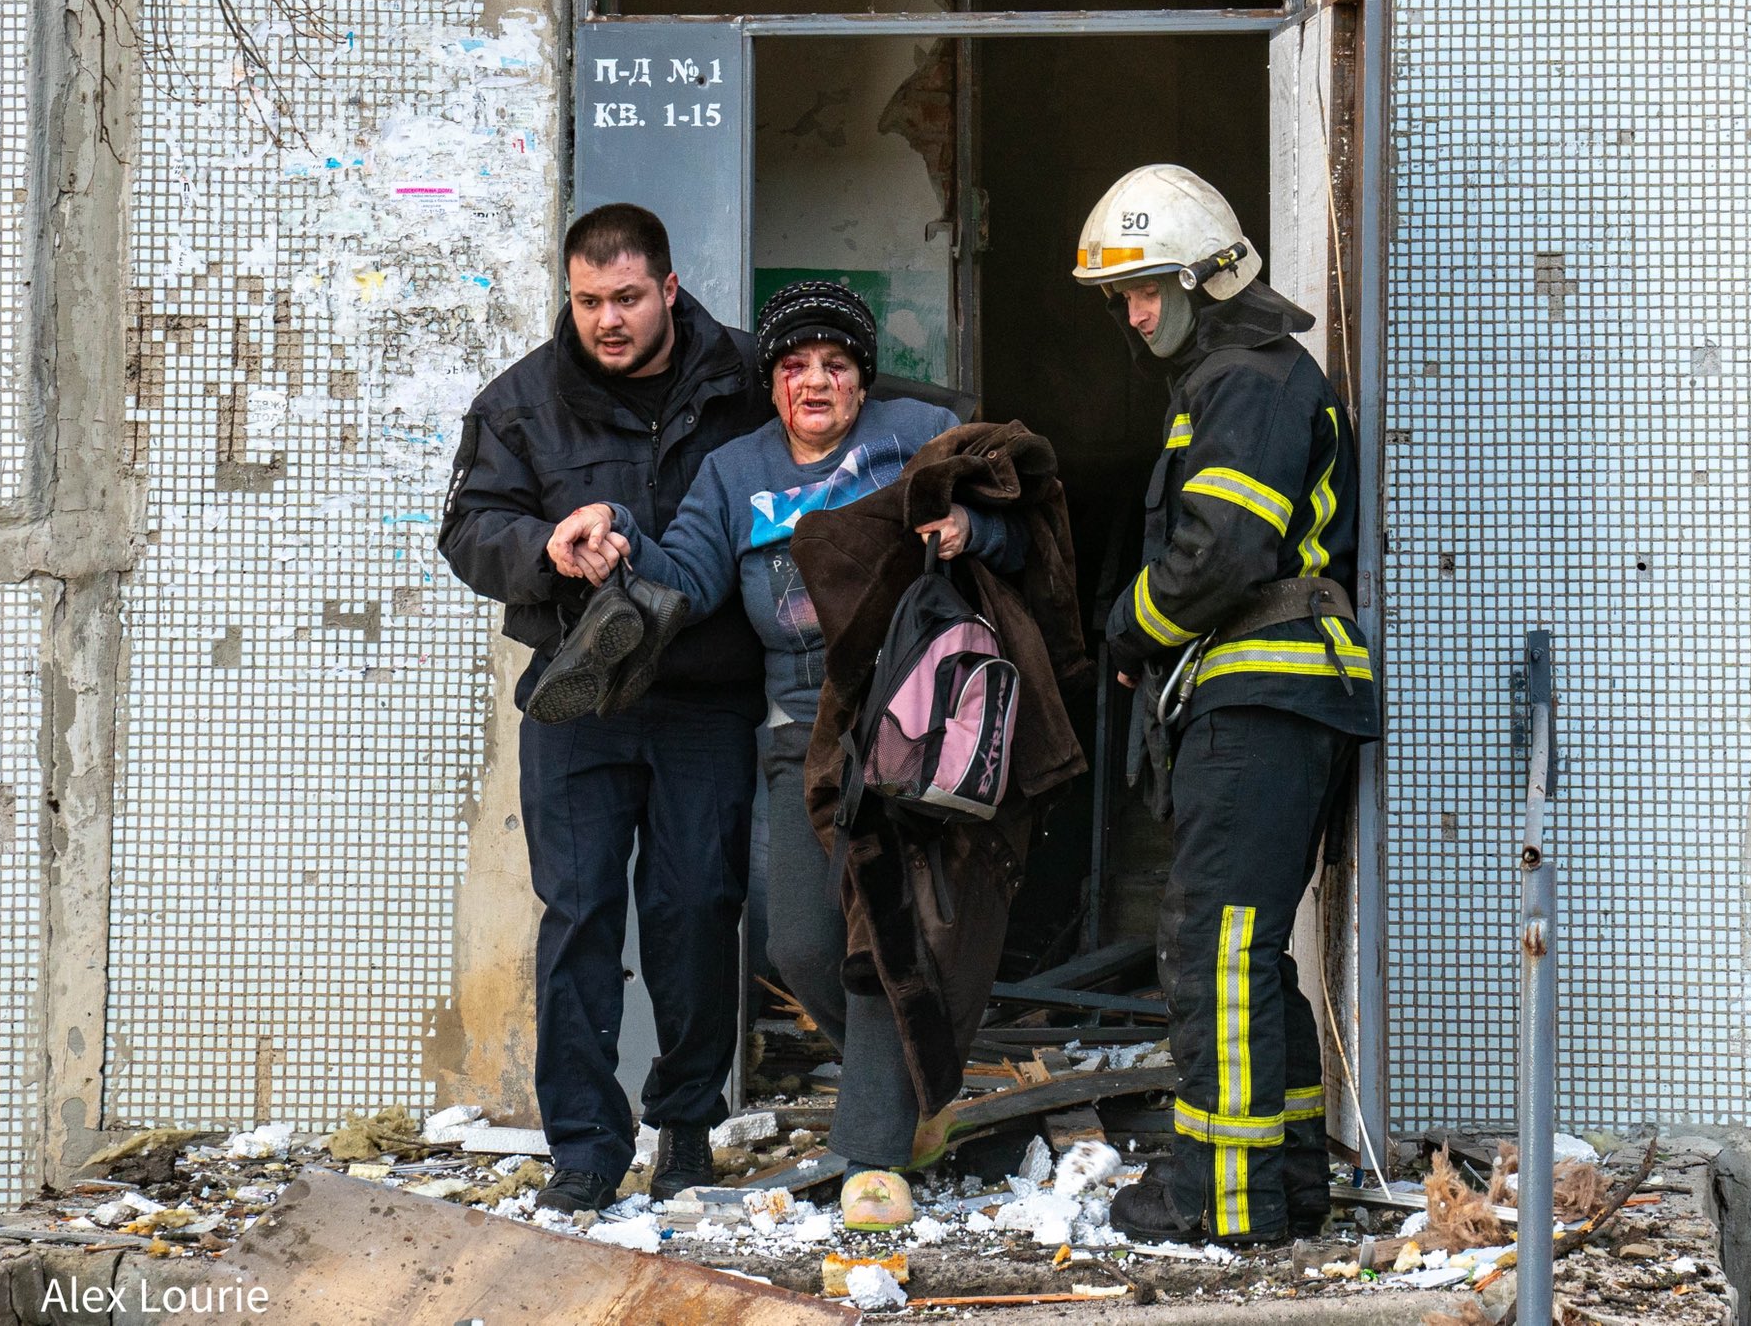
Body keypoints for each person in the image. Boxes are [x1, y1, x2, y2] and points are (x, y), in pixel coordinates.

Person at [544, 279, 1024, 1230]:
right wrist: (618, 540)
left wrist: (977, 528)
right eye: (796, 366)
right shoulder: (734, 473)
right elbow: (685, 574)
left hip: (914, 726)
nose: (816, 381)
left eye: (836, 365)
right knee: (799, 942)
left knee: (885, 935)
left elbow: (1028, 524)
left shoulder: (917, 435)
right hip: (800, 736)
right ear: (770, 383)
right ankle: (917, 1086)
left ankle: (872, 1152)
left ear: (862, 380)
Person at [1072, 165, 1384, 1245]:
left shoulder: (1245, 380)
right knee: (1244, 946)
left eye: (1149, 288)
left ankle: (1226, 1198)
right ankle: (1287, 1182)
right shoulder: (1235, 375)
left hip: (1261, 697)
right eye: (1122, 295)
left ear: (1210, 276)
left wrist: (1124, 628)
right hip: (1262, 698)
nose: (1134, 312)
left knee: (1215, 945)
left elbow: (1220, 555)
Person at [438, 203, 770, 1214]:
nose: (606, 320)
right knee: (579, 914)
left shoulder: (749, 379)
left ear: (668, 289)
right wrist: (547, 544)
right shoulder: (521, 403)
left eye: (626, 298)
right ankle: (583, 1142)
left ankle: (683, 1127)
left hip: (705, 693)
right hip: (580, 698)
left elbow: (831, 440)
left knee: (696, 909)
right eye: (587, 301)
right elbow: (466, 529)